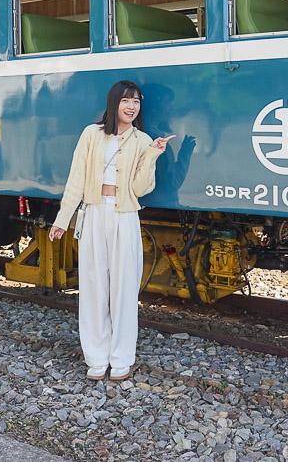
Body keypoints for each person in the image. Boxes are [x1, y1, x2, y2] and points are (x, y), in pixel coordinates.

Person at [48, 81, 173, 382]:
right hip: (93, 213)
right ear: (114, 102)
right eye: (126, 101)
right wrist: (62, 219)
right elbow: (76, 179)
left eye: (137, 102)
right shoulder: (91, 134)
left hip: (125, 216)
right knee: (93, 286)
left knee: (123, 289)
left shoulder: (142, 140)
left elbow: (141, 189)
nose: (132, 107)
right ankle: (95, 357)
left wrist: (152, 155)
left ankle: (121, 358)